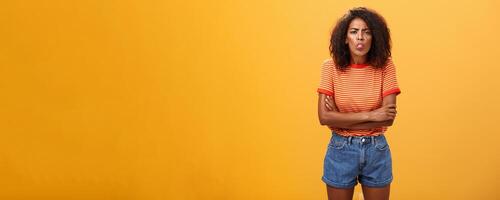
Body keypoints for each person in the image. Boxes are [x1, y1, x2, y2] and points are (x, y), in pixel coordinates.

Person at [316, 7, 401, 200]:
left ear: (374, 37)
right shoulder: (330, 67)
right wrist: (372, 115)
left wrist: (341, 117)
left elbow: (387, 119)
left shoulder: (386, 66)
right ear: (345, 38)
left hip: (376, 149)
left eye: (366, 32)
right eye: (354, 32)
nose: (360, 37)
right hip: (340, 149)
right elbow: (324, 117)